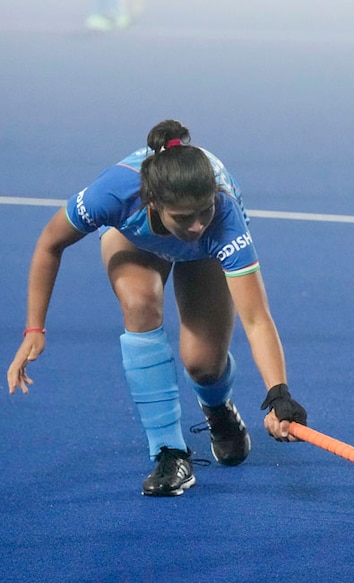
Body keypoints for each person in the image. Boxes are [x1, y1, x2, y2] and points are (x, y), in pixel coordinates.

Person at [7, 120, 307, 497]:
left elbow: (256, 318)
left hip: (201, 258)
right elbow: (49, 244)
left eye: (204, 211)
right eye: (184, 217)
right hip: (136, 242)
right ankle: (169, 451)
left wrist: (278, 393)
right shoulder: (114, 194)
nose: (197, 225)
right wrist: (35, 329)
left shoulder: (223, 221)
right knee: (139, 303)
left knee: (203, 364)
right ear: (151, 201)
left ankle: (217, 407)